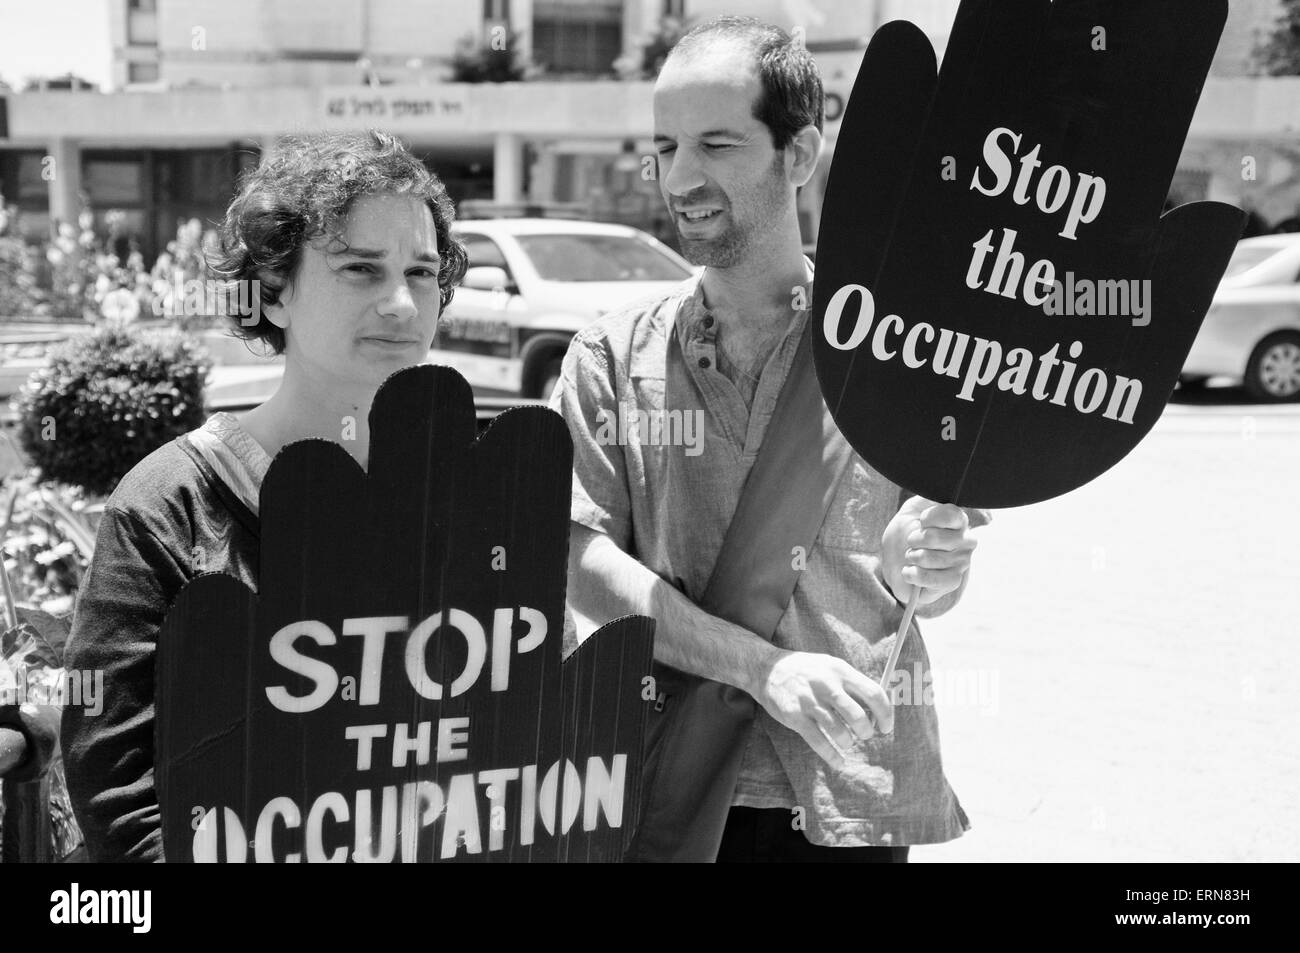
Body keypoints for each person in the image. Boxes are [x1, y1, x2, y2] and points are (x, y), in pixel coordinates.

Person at [552, 16, 988, 862]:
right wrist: (762, 668)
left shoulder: (899, 351)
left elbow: (926, 584)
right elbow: (583, 562)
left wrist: (920, 566)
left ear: (800, 155)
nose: (681, 176)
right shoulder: (608, 355)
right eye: (667, 145)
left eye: (716, 143)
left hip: (848, 789)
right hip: (663, 784)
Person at [61, 130, 467, 862]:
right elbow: (121, 798)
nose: (403, 303)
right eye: (359, 269)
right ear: (274, 292)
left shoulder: (471, 493)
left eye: (422, 270)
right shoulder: (166, 505)